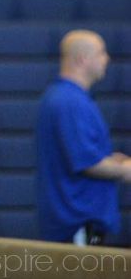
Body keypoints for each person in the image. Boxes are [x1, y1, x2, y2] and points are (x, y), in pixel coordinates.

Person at [36, 29, 131, 244]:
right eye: (101, 53)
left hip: (76, 221)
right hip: (76, 221)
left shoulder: (66, 98)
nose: (107, 59)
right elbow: (88, 162)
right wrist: (125, 169)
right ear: (82, 59)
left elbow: (82, 154)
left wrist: (115, 162)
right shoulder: (70, 102)